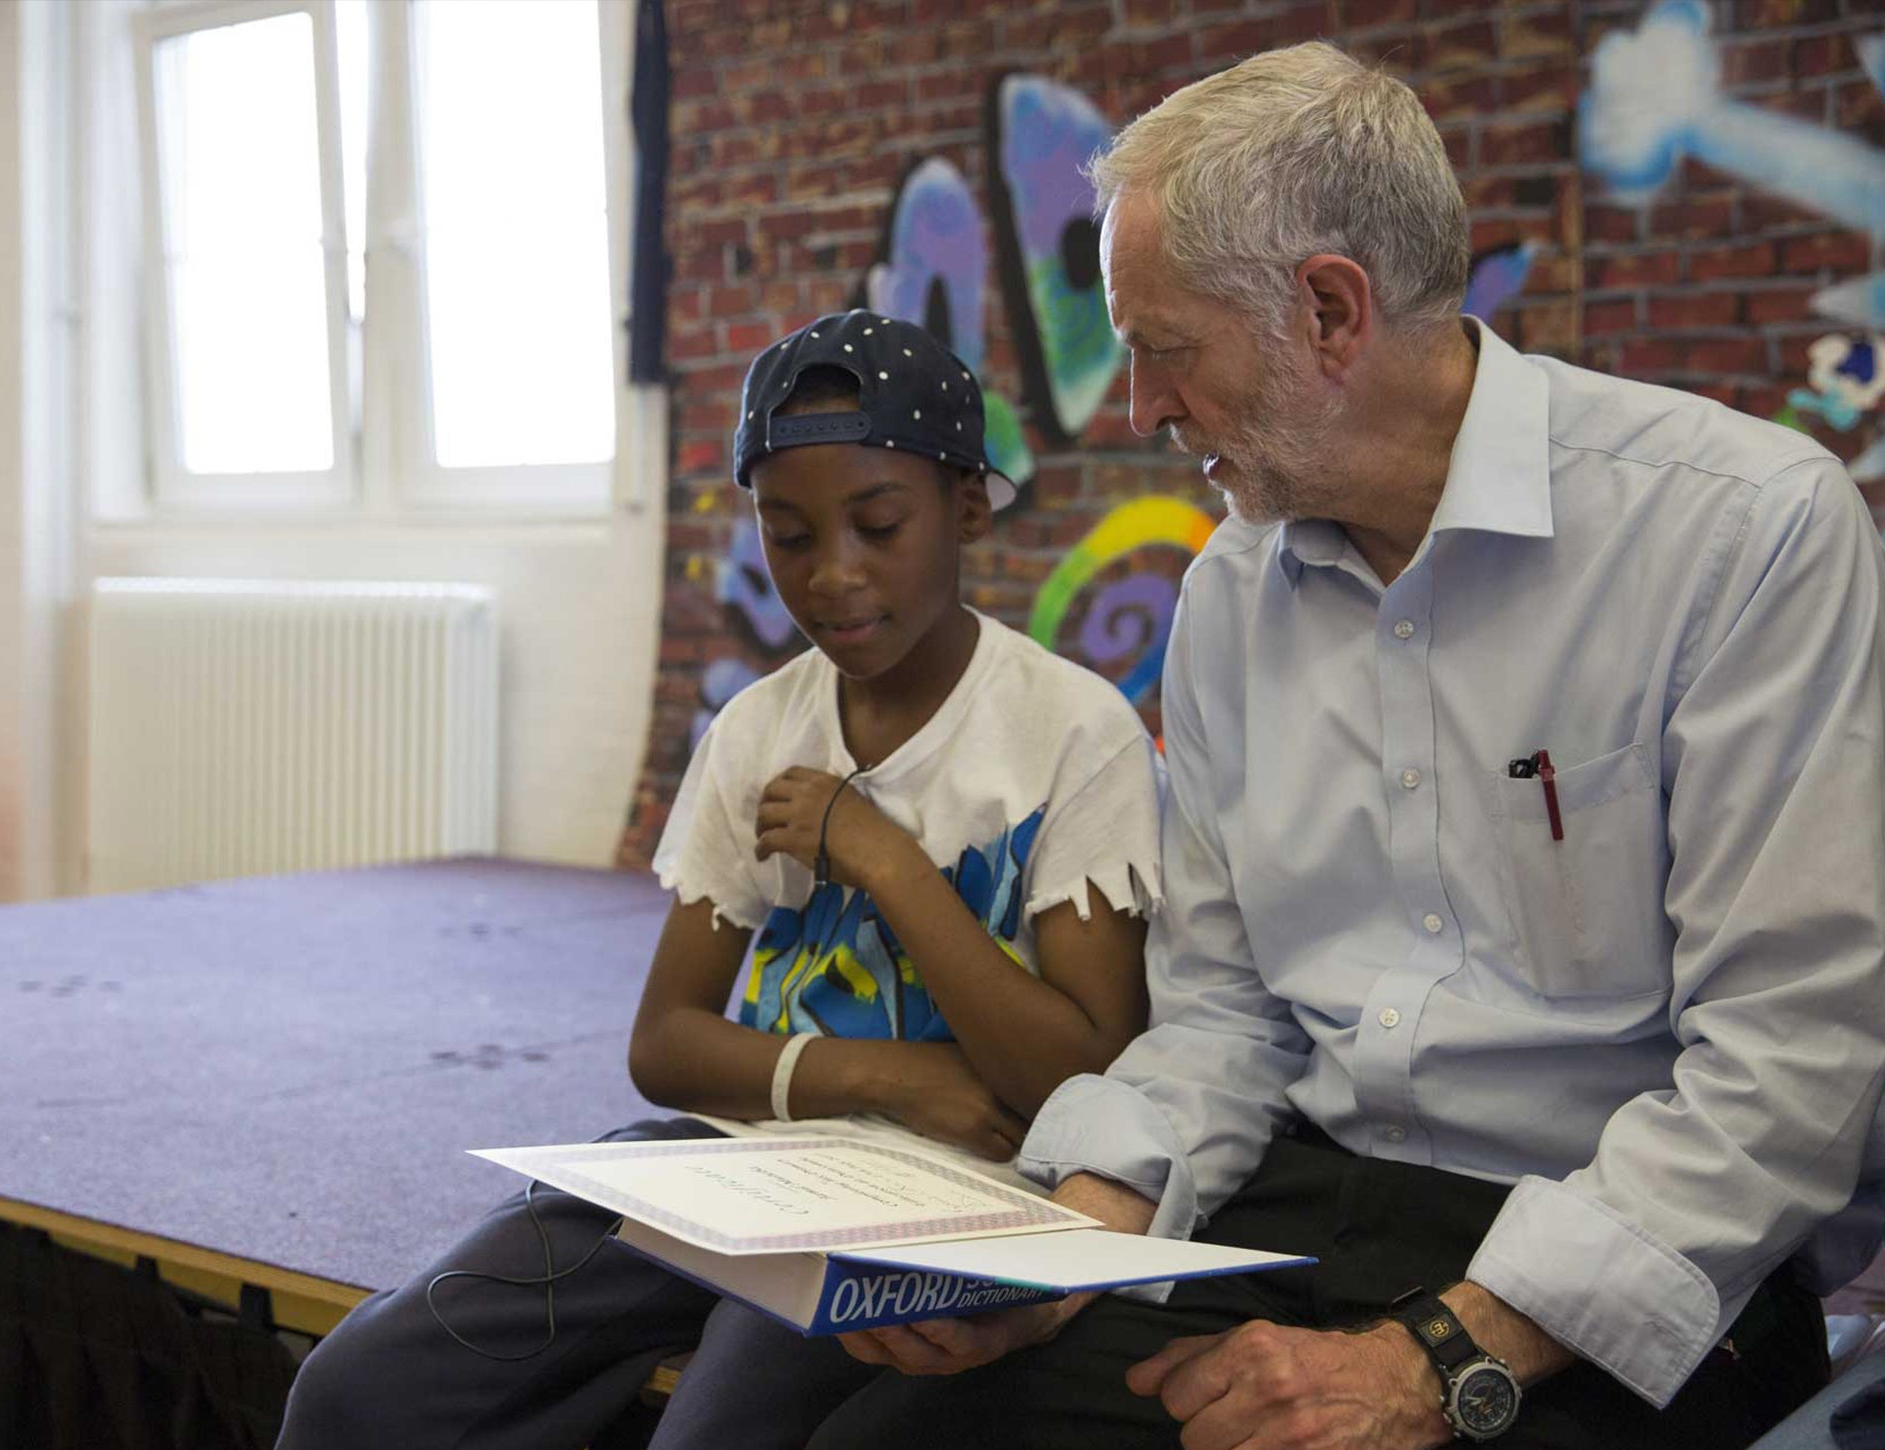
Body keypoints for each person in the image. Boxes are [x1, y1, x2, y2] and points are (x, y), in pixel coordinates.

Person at [798, 41, 1885, 1450]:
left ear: (1328, 309)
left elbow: (1787, 1066)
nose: (1139, 410)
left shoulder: (1745, 534)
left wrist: (1432, 1358)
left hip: (1640, 1254)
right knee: (884, 1438)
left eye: (1163, 349)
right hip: (1314, 1195)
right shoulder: (1231, 594)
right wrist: (1065, 1245)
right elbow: (1226, 1016)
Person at [274, 310, 1166, 1450]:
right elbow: (665, 1045)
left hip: (934, 1202)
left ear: (968, 509)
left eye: (877, 524)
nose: (832, 575)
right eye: (787, 535)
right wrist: (885, 1075)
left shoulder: (1069, 732)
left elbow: (1080, 1070)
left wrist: (883, 858)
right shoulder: (757, 727)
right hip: (730, 1164)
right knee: (360, 1386)